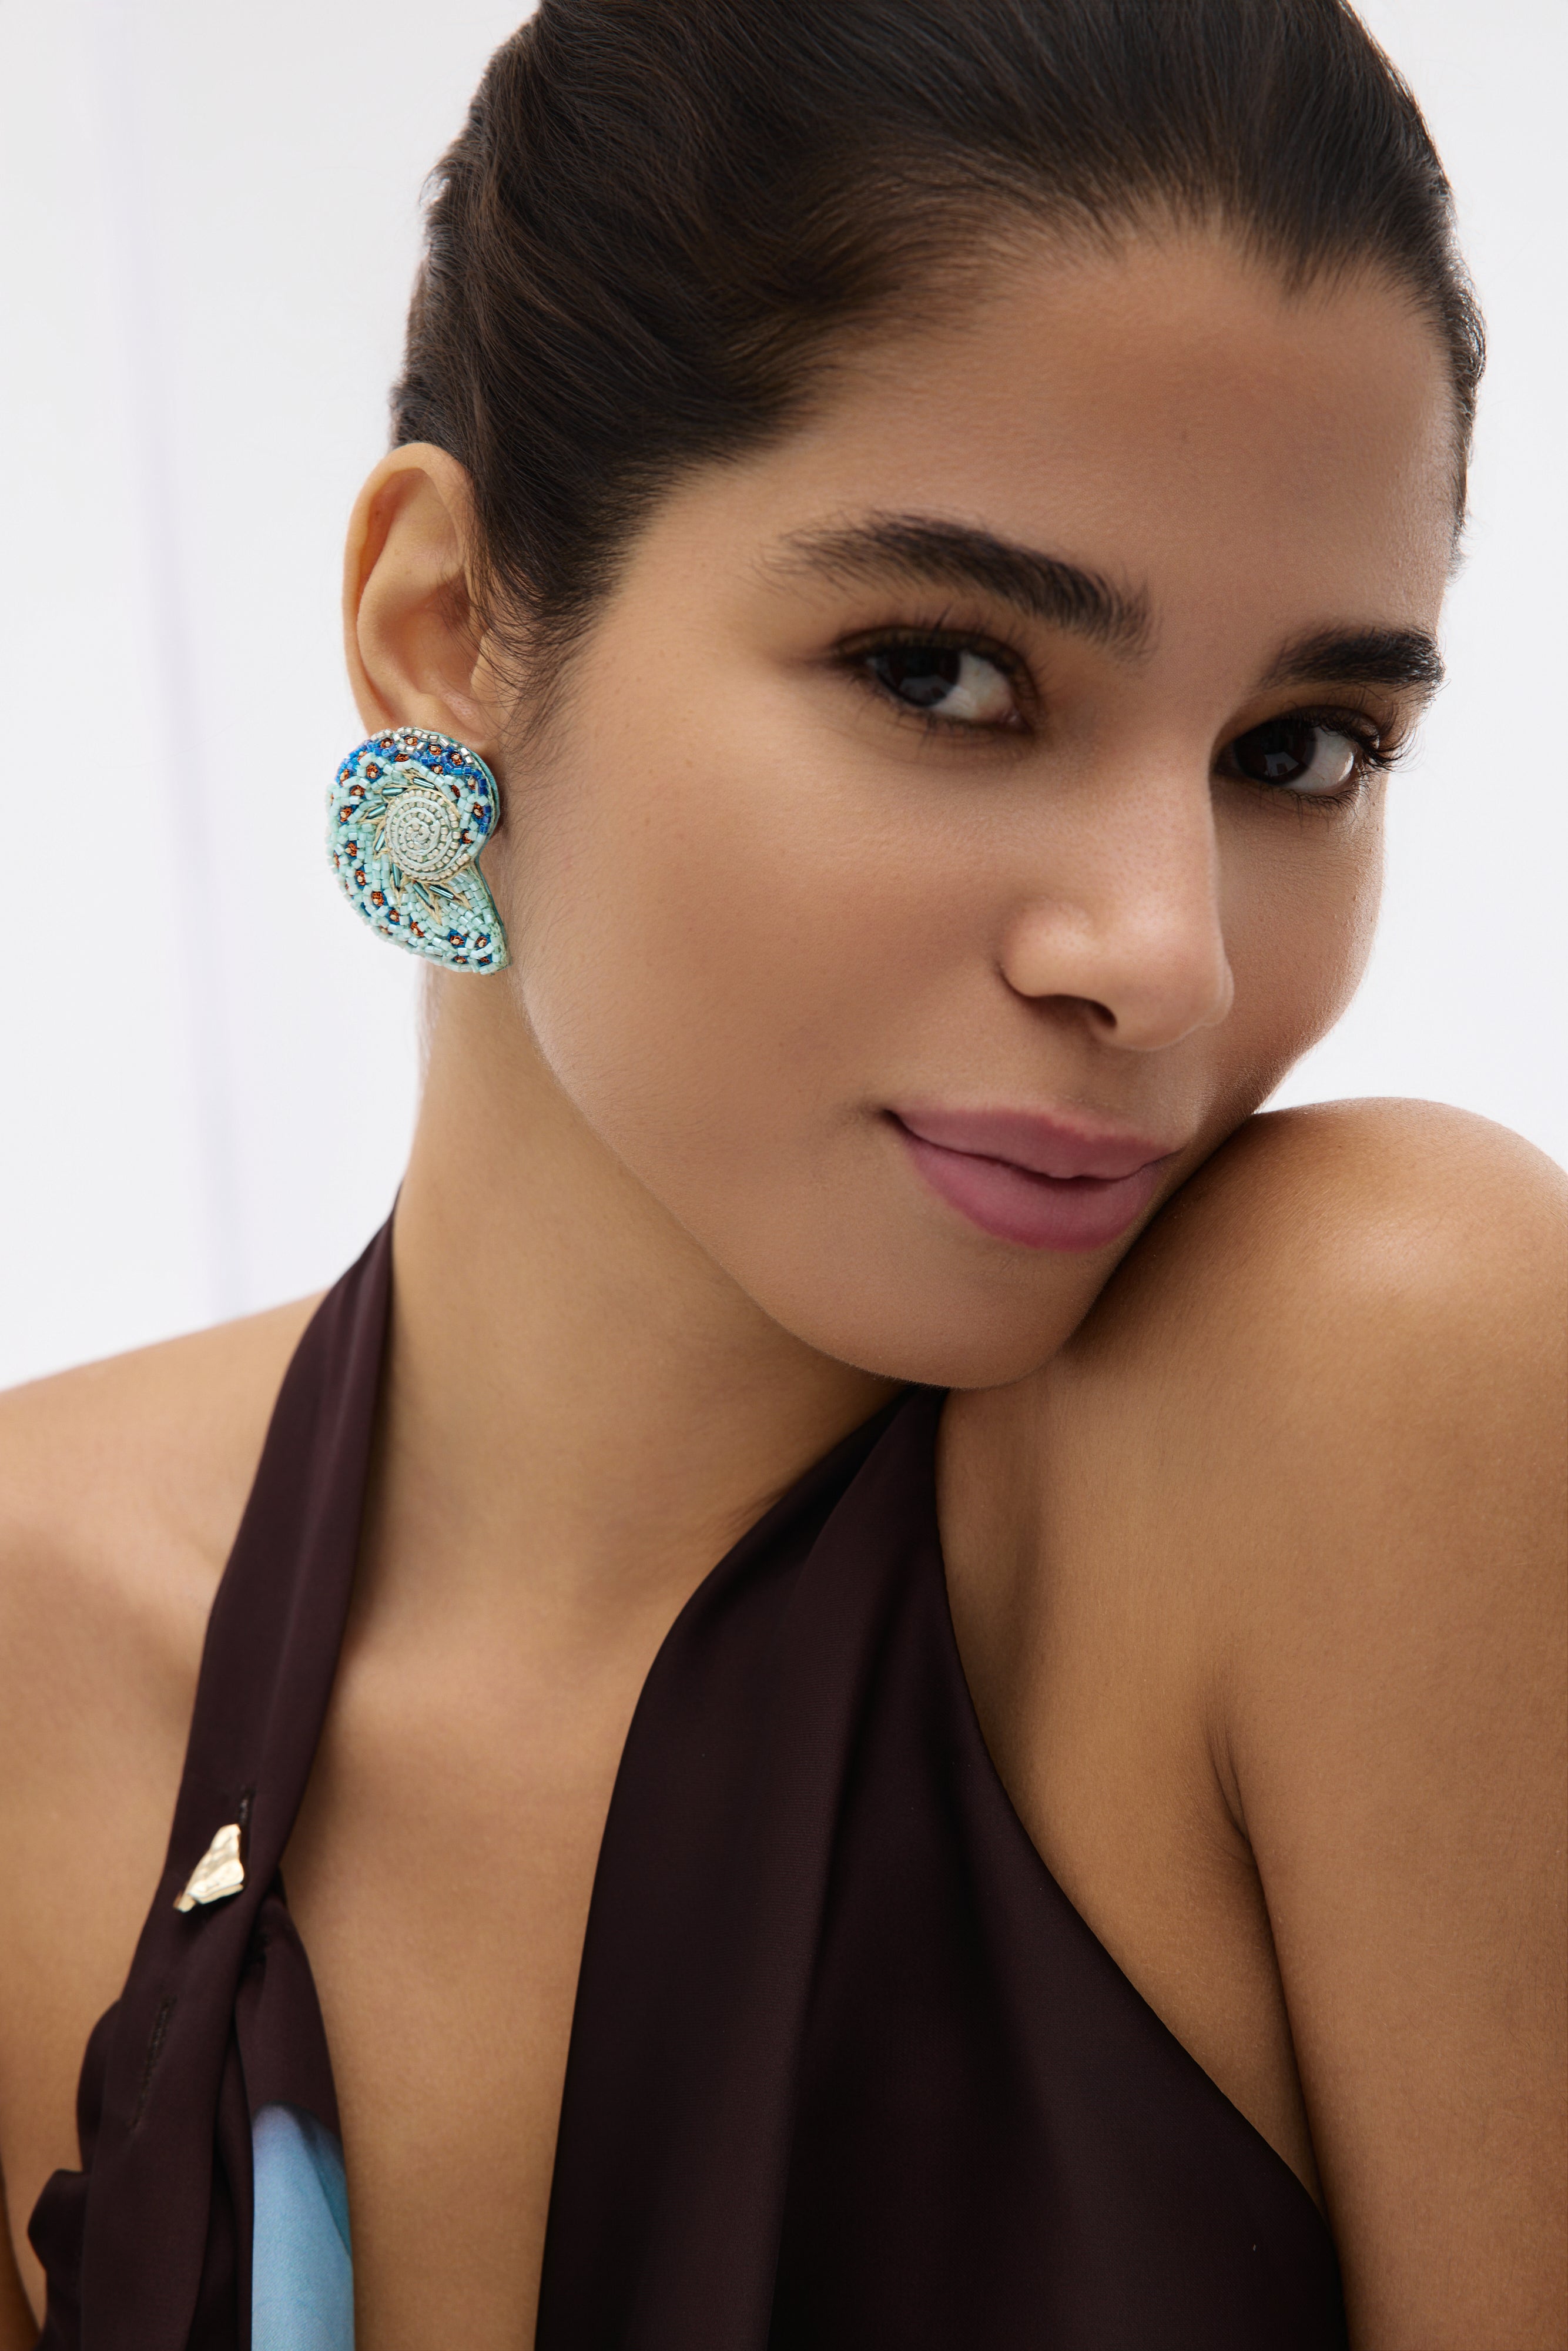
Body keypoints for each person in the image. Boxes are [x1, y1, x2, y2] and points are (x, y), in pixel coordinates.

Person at [1, 0, 1562, 2343]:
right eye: (944, 673)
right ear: (444, 635)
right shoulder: (36, 1669)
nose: (1163, 952)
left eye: (1302, 745)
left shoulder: (1382, 1380)